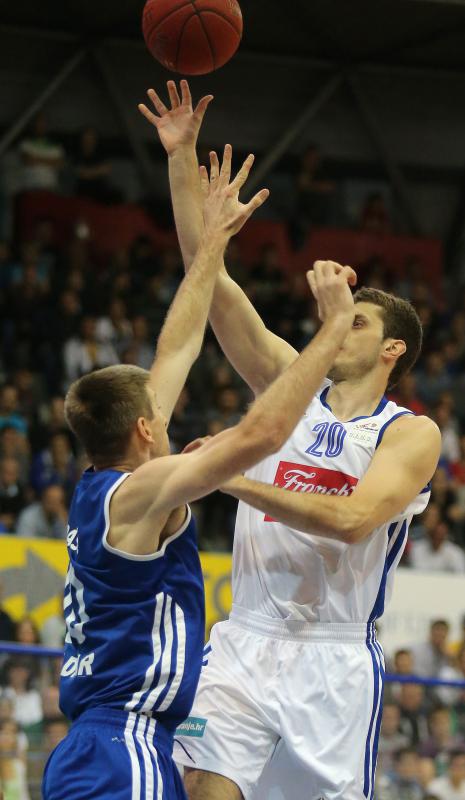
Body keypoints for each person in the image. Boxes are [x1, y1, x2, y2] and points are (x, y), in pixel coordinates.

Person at [140, 79, 441, 800]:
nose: (336, 328)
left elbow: (350, 520)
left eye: (355, 322)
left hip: (331, 665)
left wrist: (224, 471)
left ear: (393, 349)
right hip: (242, 644)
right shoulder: (287, 384)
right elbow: (206, 281)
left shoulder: (410, 433)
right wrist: (180, 161)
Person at [42, 140, 359, 800]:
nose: (169, 405)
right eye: (158, 408)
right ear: (143, 428)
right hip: (122, 744)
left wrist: (198, 207)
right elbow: (262, 432)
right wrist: (330, 331)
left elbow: (179, 341)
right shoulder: (142, 489)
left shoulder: (111, 479)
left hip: (112, 741)